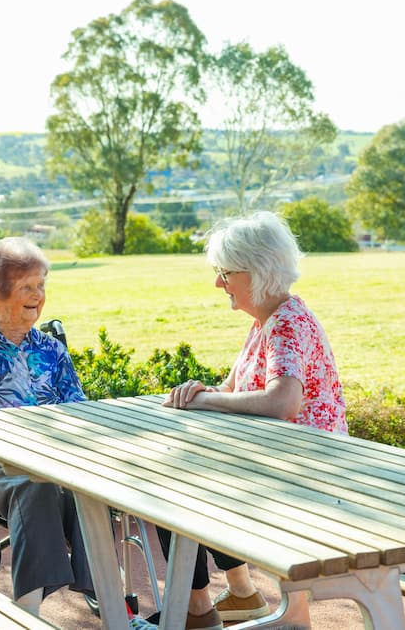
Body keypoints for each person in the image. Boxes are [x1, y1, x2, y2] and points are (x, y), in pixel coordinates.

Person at [151, 211, 347, 630]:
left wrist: (208, 402)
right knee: (174, 480)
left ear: (255, 271)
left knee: (170, 487)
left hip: (304, 476)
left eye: (225, 273)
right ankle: (225, 600)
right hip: (282, 466)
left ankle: (202, 610)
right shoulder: (269, 321)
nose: (218, 284)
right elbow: (232, 390)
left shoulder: (287, 323)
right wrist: (201, 393)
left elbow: (282, 402)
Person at [0, 236, 94, 616]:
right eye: (27, 286)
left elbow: (79, 411)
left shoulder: (51, 349)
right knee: (35, 485)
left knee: (89, 490)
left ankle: (114, 610)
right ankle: (29, 613)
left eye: (41, 285)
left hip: (54, 460)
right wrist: (19, 458)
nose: (38, 296)